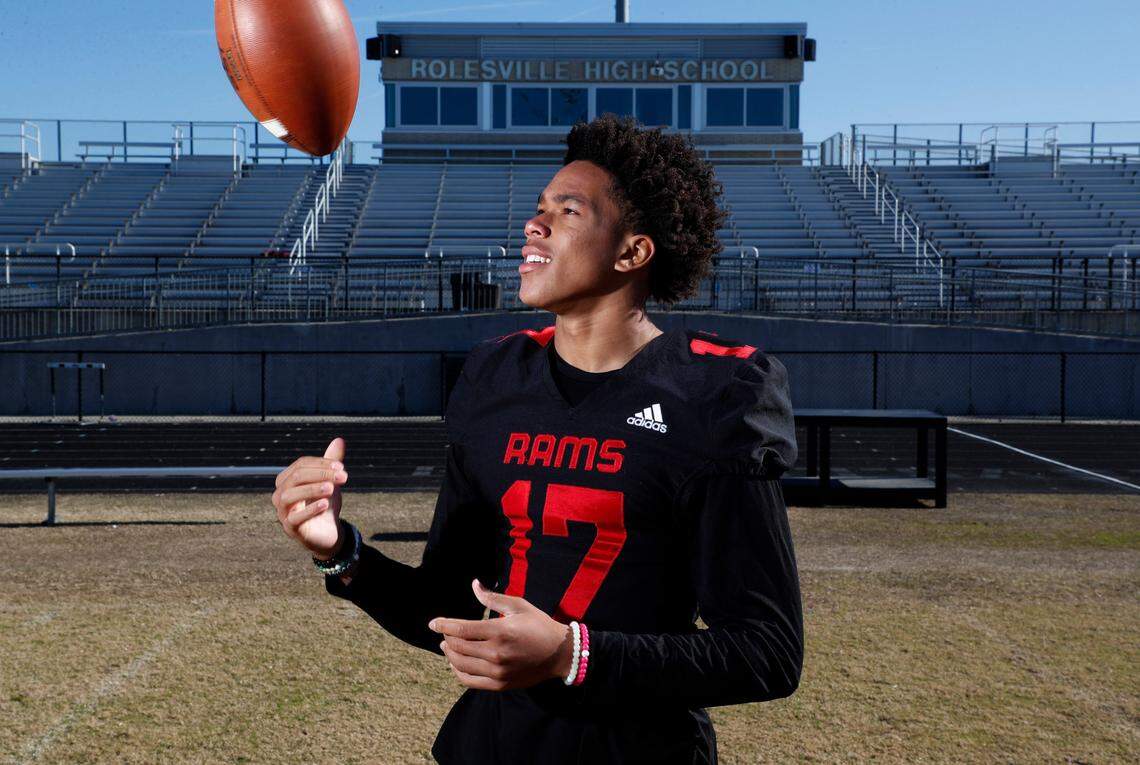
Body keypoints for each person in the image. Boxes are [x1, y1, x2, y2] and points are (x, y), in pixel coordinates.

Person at [271, 114, 802, 764]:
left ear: (632, 252)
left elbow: (767, 650)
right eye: (538, 208)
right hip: (491, 745)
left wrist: (572, 654)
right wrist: (340, 552)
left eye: (568, 212)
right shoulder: (496, 377)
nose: (534, 224)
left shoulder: (714, 393)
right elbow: (445, 606)